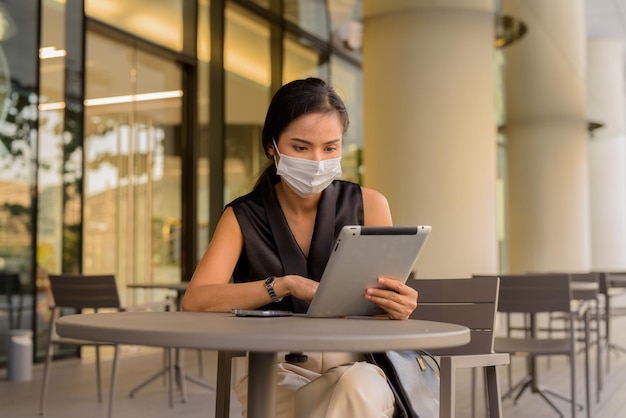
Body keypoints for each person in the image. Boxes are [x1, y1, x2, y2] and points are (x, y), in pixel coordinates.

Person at [182, 77, 418, 418]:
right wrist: (283, 284)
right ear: (271, 147)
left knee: (357, 388)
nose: (317, 161)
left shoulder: (370, 205)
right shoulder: (243, 216)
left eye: (330, 148)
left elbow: (382, 307)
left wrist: (399, 305)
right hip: (274, 368)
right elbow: (197, 300)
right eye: (301, 147)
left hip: (359, 363)